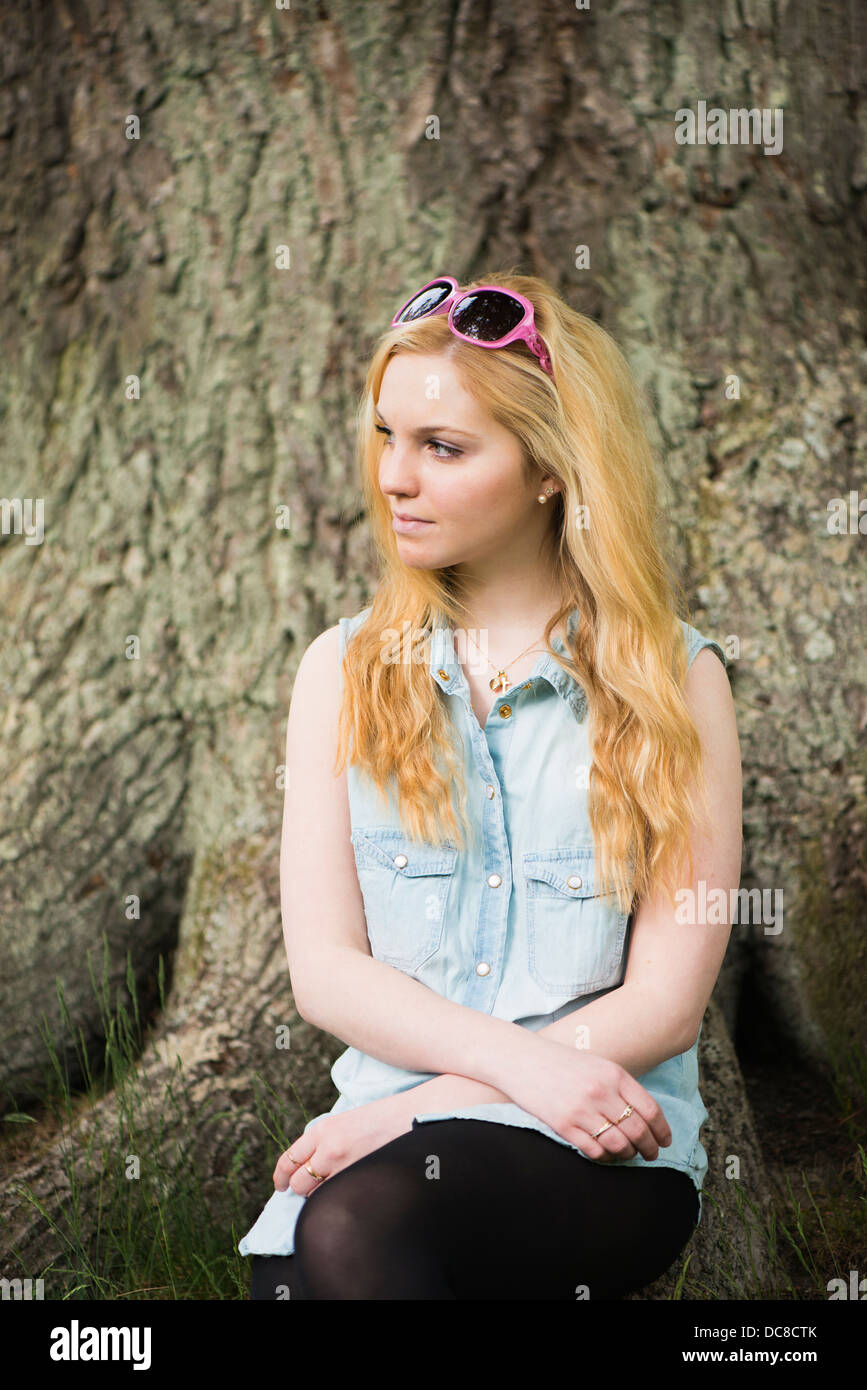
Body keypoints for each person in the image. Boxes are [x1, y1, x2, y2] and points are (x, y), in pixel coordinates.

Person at [239, 272, 742, 1300]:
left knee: (355, 1240)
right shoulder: (341, 672)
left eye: (444, 448)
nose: (393, 478)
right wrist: (439, 1096)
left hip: (595, 1141)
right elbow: (326, 972)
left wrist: (429, 1108)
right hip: (370, 1142)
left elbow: (664, 1003)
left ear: (552, 470)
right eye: (387, 435)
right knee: (300, 1279)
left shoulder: (674, 681)